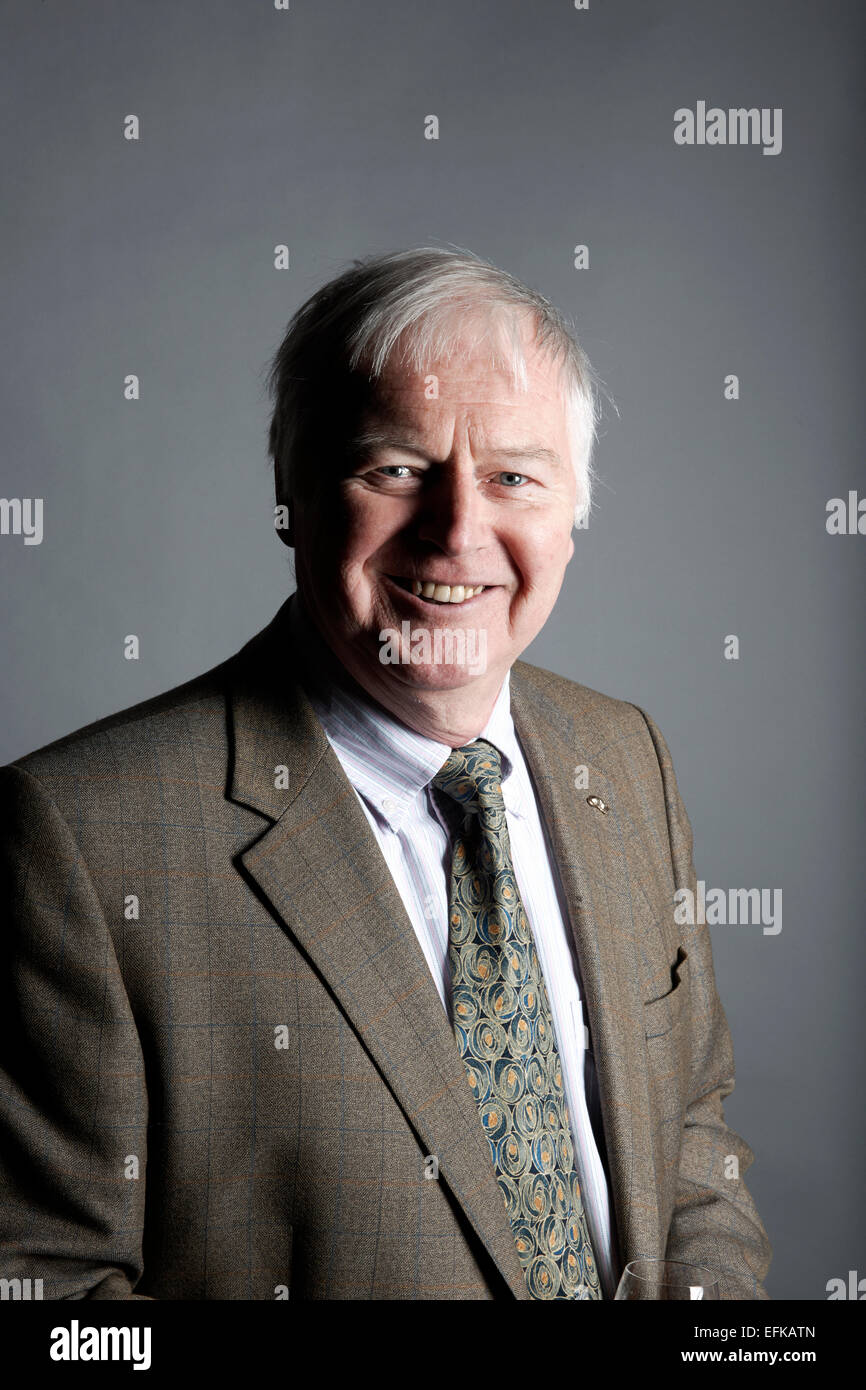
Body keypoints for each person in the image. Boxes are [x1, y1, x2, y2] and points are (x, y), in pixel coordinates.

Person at [0, 248, 772, 1300]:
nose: (457, 531)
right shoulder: (81, 839)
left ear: (570, 509)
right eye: (396, 468)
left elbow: (690, 1145)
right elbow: (51, 1294)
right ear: (295, 490)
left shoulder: (624, 758)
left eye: (511, 476)